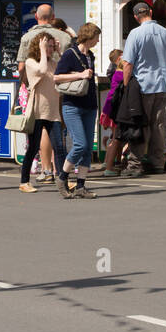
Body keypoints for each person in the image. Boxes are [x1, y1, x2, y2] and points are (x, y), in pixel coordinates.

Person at [17, 3, 70, 182]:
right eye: (46, 46)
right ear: (53, 16)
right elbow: (37, 69)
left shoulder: (27, 36)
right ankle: (26, 180)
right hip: (39, 105)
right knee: (34, 146)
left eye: (50, 46)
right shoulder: (63, 37)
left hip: (52, 104)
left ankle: (54, 173)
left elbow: (20, 67)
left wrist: (58, 51)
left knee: (58, 144)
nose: (49, 48)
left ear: (36, 17)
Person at [122, 0, 166, 176]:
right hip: (162, 85)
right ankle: (158, 163)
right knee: (158, 126)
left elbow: (127, 63)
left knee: (140, 125)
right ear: (151, 12)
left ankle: (135, 165)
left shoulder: (135, 34)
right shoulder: (165, 33)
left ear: (137, 17)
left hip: (143, 86)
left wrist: (125, 84)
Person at [56, 22, 101, 199]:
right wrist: (80, 75)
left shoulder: (90, 55)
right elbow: (56, 77)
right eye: (96, 37)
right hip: (72, 105)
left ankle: (81, 185)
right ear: (89, 37)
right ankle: (62, 177)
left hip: (89, 105)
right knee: (80, 144)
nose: (98, 40)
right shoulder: (69, 54)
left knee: (88, 147)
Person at [100, 49, 127, 177]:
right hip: (114, 110)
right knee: (116, 139)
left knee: (115, 137)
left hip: (109, 109)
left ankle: (109, 162)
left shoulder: (115, 73)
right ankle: (109, 167)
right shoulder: (121, 75)